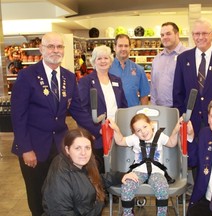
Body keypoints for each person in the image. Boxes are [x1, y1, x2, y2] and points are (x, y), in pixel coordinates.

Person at [10, 32, 101, 216]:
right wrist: (26, 148)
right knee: (37, 194)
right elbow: (18, 116)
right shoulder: (27, 76)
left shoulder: (68, 77)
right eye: (51, 46)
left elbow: (77, 110)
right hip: (33, 147)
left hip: (61, 147)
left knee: (60, 192)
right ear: (41, 49)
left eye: (59, 46)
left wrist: (98, 130)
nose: (55, 50)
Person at [108, 113, 193, 216]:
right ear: (135, 133)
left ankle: (161, 214)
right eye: (138, 130)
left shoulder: (159, 136)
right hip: (138, 172)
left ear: (151, 125)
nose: (143, 131)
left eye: (145, 126)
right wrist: (116, 129)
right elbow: (120, 141)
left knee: (162, 187)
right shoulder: (134, 138)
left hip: (156, 172)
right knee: (127, 185)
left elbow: (171, 143)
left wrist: (175, 130)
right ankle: (128, 213)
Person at [42, 127, 138, 216]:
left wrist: (120, 176)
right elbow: (60, 212)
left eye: (87, 148)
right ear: (67, 149)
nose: (83, 153)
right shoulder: (61, 173)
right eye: (77, 148)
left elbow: (96, 180)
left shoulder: (80, 165)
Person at [78, 45, 127, 173]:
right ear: (94, 62)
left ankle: (115, 191)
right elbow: (82, 109)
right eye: (99, 58)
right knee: (99, 167)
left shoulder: (116, 80)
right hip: (98, 133)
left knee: (117, 164)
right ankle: (101, 192)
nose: (103, 61)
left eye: (106, 58)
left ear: (111, 61)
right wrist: (93, 130)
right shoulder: (86, 81)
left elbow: (123, 105)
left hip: (116, 130)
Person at [150, 22, 188, 107]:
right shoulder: (157, 59)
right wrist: (153, 106)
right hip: (160, 109)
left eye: (168, 34)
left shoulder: (188, 56)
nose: (165, 37)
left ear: (177, 34)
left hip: (181, 108)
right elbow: (153, 86)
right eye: (162, 35)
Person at [109, 34, 150, 107]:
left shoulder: (139, 70)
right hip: (112, 114)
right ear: (114, 47)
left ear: (130, 48)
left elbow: (144, 96)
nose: (123, 49)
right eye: (120, 46)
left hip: (133, 113)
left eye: (126, 46)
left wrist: (143, 113)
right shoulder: (107, 69)